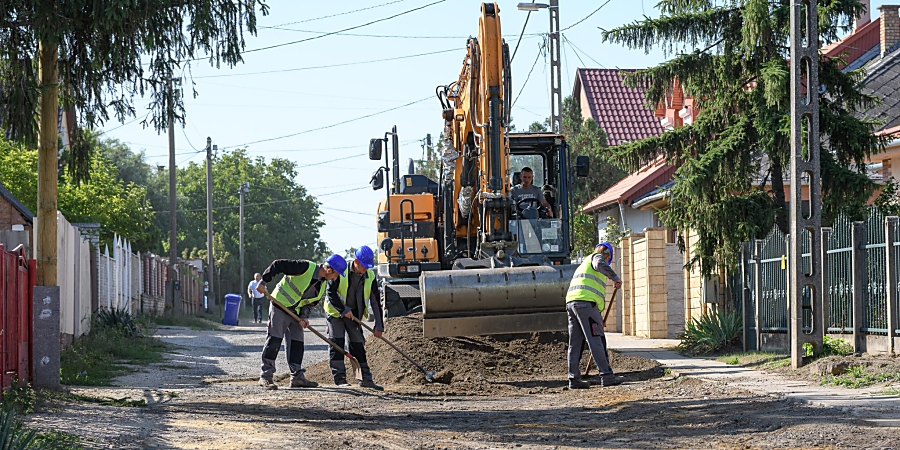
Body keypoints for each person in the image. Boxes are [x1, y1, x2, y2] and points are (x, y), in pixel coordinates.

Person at [255, 254, 347, 390]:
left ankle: (297, 377)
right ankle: (266, 377)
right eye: (336, 275)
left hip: (295, 313)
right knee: (274, 340)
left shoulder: (322, 285)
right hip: (280, 305)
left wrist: (304, 317)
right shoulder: (305, 267)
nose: (335, 278)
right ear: (329, 270)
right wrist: (263, 282)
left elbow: (310, 304)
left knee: (297, 344)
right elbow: (277, 264)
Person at [324, 246, 385, 389]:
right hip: (335, 313)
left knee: (357, 344)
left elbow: (375, 301)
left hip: (354, 316)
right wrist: (343, 310)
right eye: (364, 266)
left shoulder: (370, 276)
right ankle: (340, 379)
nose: (366, 269)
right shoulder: (341, 269)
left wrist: (379, 325)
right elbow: (330, 292)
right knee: (337, 343)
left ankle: (365, 379)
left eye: (368, 266)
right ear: (356, 261)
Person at [566, 242, 624, 389]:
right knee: (596, 340)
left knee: (575, 344)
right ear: (607, 255)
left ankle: (574, 379)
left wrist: (597, 317)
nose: (607, 260)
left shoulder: (584, 264)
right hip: (585, 304)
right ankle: (607, 376)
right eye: (608, 258)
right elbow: (599, 264)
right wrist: (615, 277)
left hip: (572, 304)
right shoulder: (597, 257)